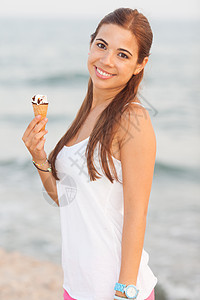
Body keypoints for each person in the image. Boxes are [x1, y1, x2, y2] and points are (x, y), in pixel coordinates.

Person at [22, 7, 157, 300]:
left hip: (115, 289)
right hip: (76, 285)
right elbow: (64, 197)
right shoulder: (88, 114)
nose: (106, 60)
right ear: (91, 44)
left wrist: (125, 289)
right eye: (102, 45)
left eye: (123, 54)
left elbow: (137, 214)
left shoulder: (133, 119)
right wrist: (39, 157)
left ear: (139, 65)